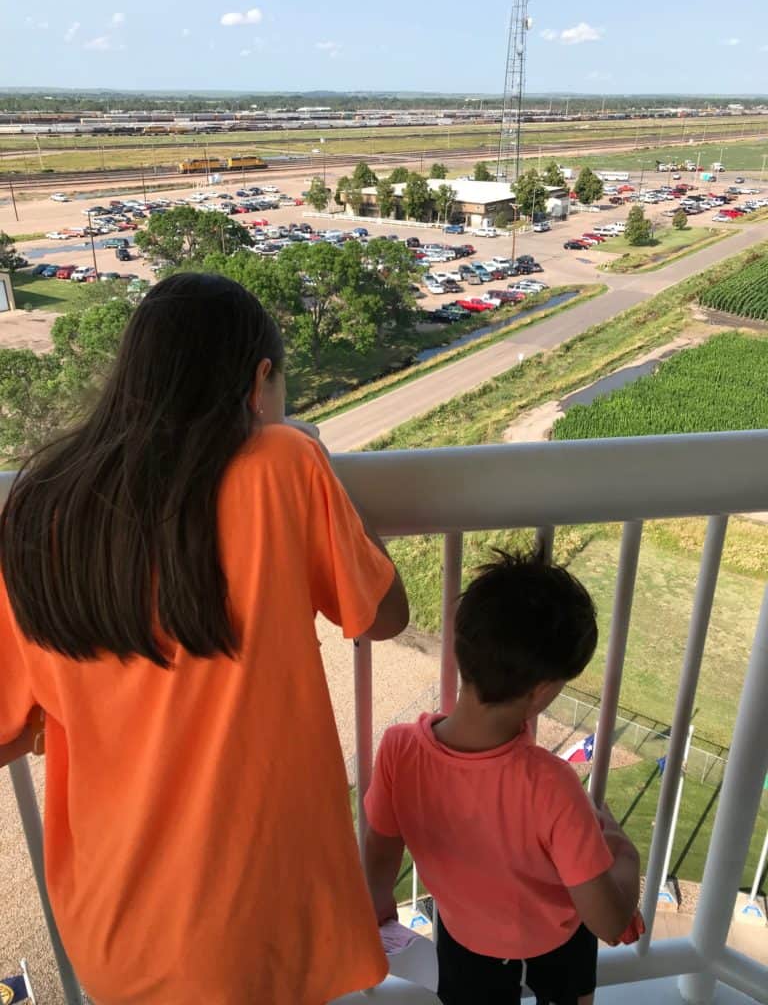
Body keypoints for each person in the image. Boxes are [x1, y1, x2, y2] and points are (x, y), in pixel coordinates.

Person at [0, 272, 409, 1005]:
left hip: (114, 930)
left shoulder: (35, 509)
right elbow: (383, 614)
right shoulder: (284, 463)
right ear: (260, 382)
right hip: (259, 924)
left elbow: (7, 729)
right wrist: (310, 455)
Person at [363, 550, 641, 1005]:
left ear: (460, 647)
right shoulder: (552, 786)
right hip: (559, 944)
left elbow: (378, 854)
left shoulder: (399, 749)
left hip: (464, 940)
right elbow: (609, 921)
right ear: (543, 691)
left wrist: (377, 906)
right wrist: (624, 852)